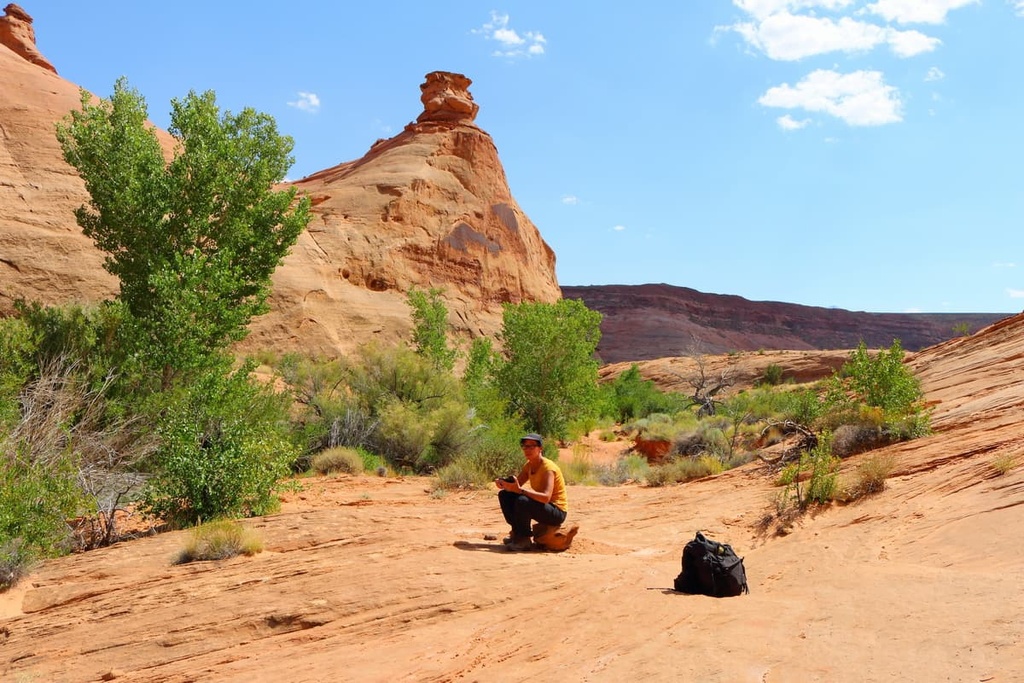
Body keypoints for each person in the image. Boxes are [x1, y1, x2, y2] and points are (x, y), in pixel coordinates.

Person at [495, 433, 569, 551]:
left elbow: (545, 497)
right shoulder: (529, 466)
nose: (527, 449)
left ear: (540, 448)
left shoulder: (548, 468)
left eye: (532, 446)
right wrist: (504, 484)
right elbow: (516, 486)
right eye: (525, 446)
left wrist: (521, 490)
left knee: (522, 500)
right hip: (543, 507)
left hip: (557, 512)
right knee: (505, 495)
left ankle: (524, 539)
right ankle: (517, 532)